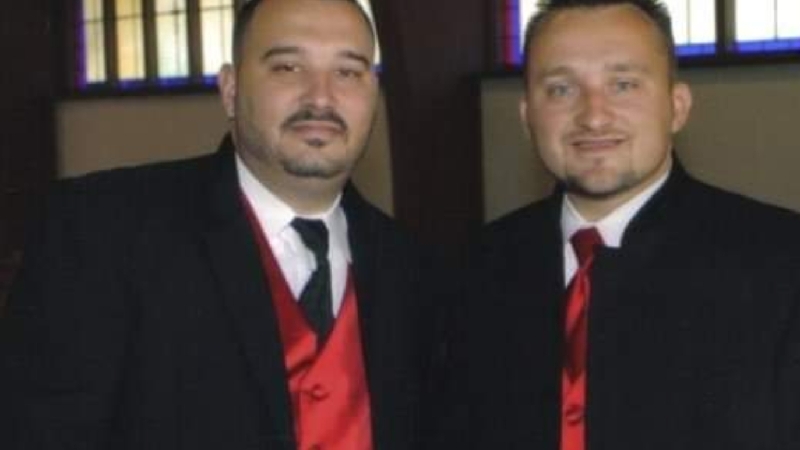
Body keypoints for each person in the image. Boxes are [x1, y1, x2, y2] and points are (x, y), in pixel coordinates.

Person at [0, 0, 433, 448]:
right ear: (230, 89)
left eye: (348, 72)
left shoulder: (416, 272)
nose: (321, 98)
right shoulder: (100, 233)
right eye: (287, 67)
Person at [441, 0, 800, 449]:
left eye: (623, 85)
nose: (593, 116)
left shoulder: (781, 264)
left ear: (677, 106)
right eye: (561, 90)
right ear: (527, 116)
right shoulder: (475, 269)